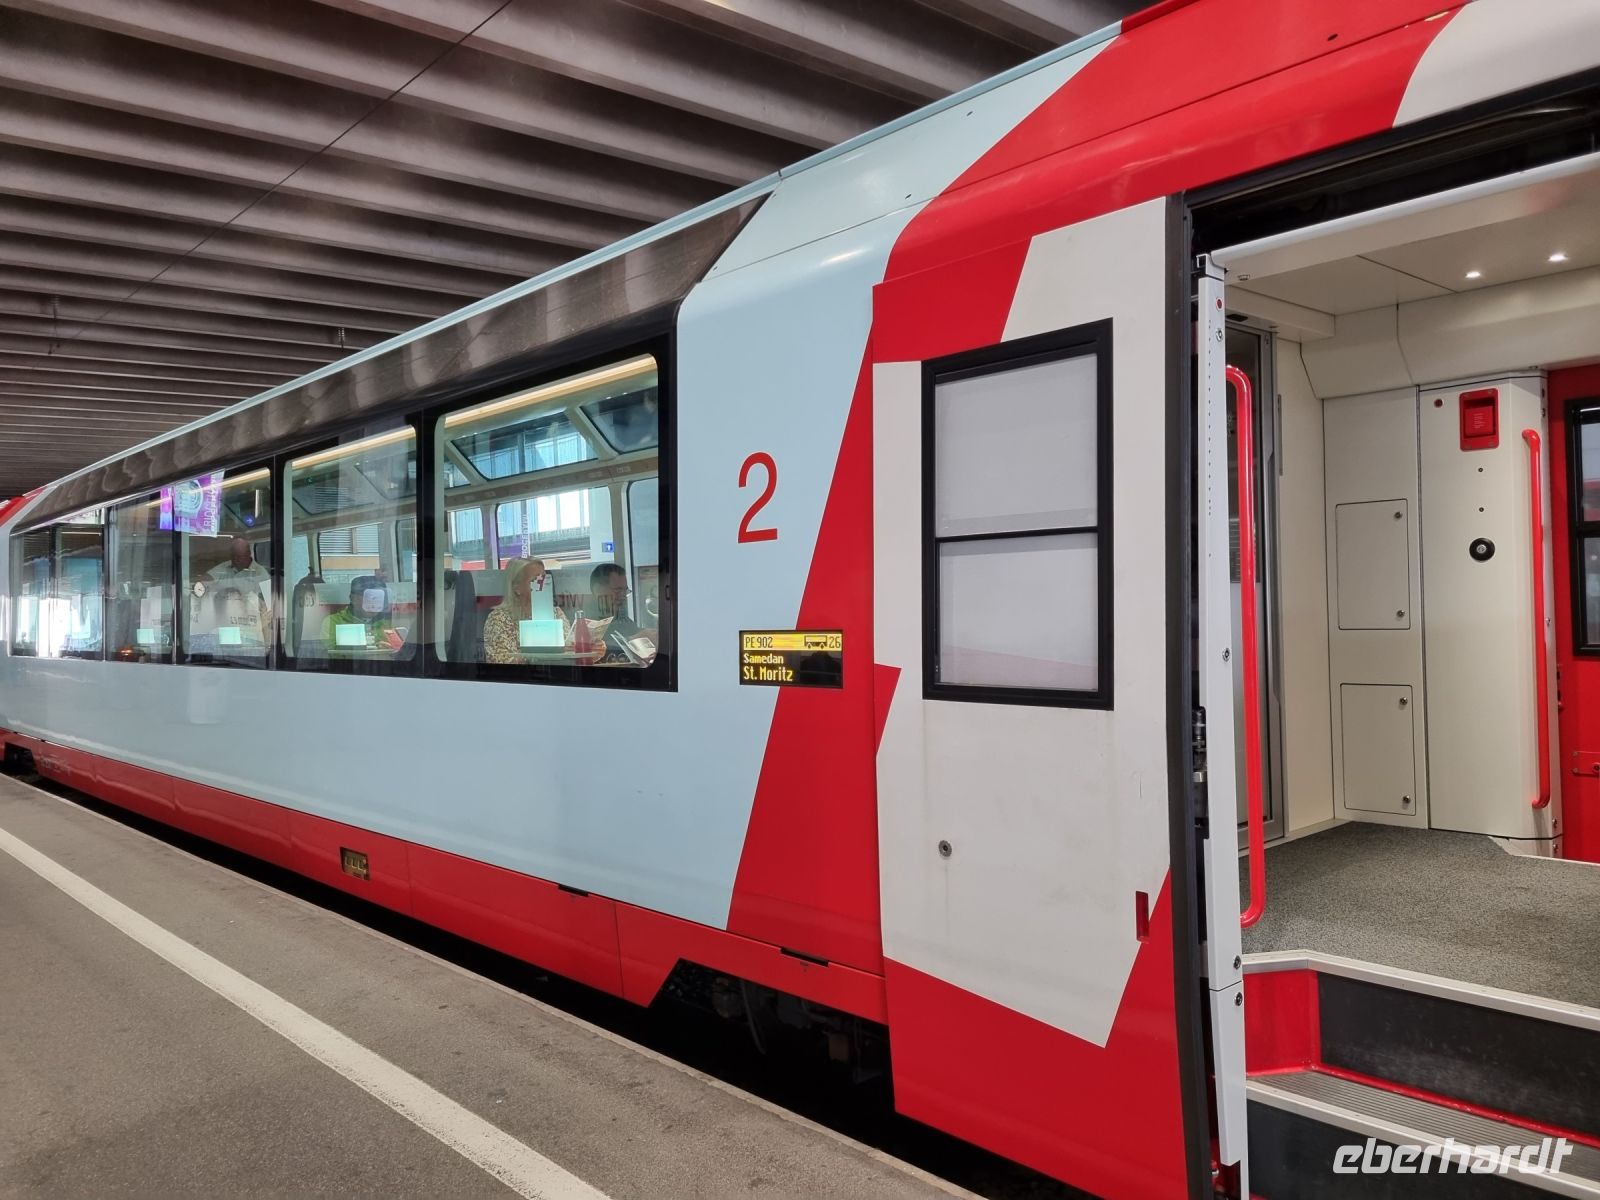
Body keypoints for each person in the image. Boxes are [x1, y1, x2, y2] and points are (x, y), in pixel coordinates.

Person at [483, 558, 565, 664]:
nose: (542, 585)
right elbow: (501, 661)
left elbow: (570, 647)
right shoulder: (498, 619)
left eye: (544, 579)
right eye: (534, 580)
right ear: (516, 588)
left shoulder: (556, 613)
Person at [586, 562, 655, 665]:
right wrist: (633, 639)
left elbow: (634, 632)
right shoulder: (584, 621)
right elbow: (592, 650)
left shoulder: (621, 617)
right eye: (618, 590)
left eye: (625, 591)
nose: (622, 596)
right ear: (597, 590)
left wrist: (651, 636)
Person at [207, 535, 271, 640]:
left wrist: (262, 628)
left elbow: (269, 606)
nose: (236, 560)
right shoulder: (225, 567)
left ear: (248, 555)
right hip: (225, 623)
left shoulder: (261, 574)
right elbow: (207, 578)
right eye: (234, 556)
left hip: (251, 626)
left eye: (240, 557)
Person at [321, 576, 399, 652]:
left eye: (379, 599)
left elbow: (399, 652)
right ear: (353, 599)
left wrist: (390, 651)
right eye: (370, 598)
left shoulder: (387, 624)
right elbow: (331, 655)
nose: (374, 604)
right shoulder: (333, 622)